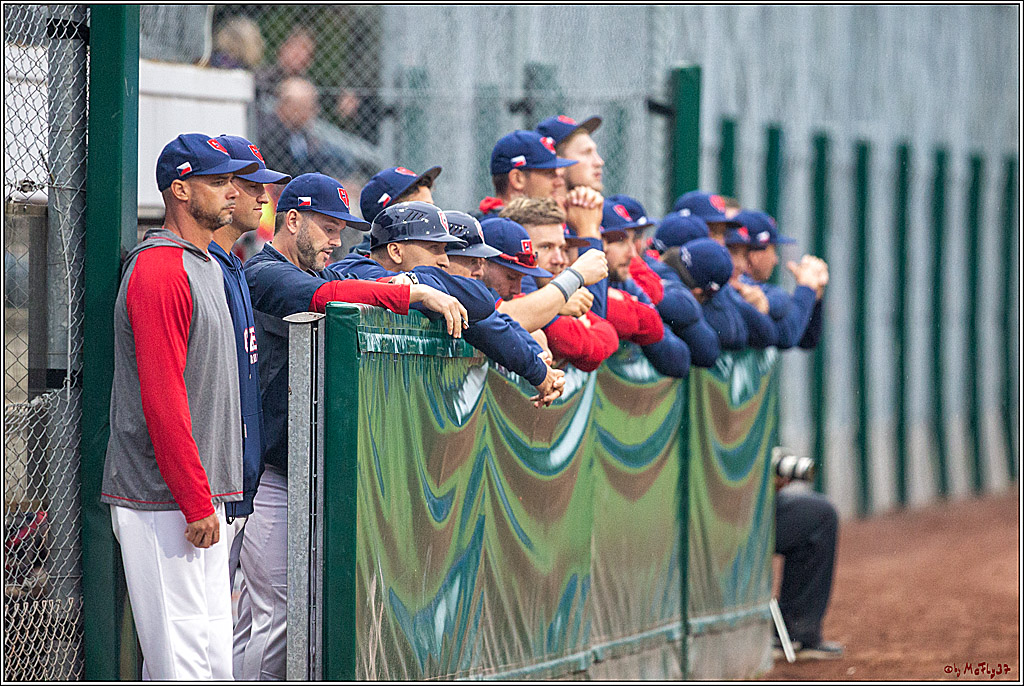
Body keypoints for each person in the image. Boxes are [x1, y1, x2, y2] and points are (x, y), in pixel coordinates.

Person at [237, 174, 464, 680]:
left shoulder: (310, 272)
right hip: (263, 474)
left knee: (263, 616)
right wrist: (413, 296)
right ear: (291, 220)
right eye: (326, 227)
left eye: (342, 229)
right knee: (277, 615)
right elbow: (329, 298)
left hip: (286, 468)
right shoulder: (265, 273)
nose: (337, 240)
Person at [101, 133, 259, 679]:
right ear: (180, 189)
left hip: (200, 493)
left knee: (214, 653)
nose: (232, 194)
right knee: (180, 661)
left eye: (232, 181)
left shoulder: (208, 262)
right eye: (218, 183)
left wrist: (207, 498)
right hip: (161, 497)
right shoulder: (162, 268)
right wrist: (195, 501)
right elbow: (162, 397)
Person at [329, 201, 566, 406]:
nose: (444, 259)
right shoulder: (353, 269)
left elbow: (485, 313)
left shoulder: (425, 277)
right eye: (435, 249)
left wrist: (538, 365)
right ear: (395, 251)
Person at [498, 197, 620, 372]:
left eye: (563, 249)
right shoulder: (518, 281)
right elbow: (574, 344)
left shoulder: (549, 286)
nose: (560, 260)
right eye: (546, 247)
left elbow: (607, 338)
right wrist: (560, 299)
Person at [598, 197, 694, 377]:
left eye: (635, 238)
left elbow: (678, 359)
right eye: (620, 241)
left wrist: (632, 311)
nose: (632, 252)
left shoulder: (626, 276)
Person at [734, 209, 826, 349]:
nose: (775, 260)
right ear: (755, 256)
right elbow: (787, 333)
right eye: (773, 249)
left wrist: (814, 295)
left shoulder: (761, 290)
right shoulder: (736, 286)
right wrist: (806, 288)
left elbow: (806, 339)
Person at [256, 77, 354, 182]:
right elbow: (285, 170)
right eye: (310, 107)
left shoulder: (301, 133)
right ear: (291, 107)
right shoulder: (270, 134)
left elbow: (317, 163)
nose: (315, 111)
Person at [535, 114, 604, 192]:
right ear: (558, 163)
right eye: (586, 153)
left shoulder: (612, 203)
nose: (599, 162)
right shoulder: (529, 203)